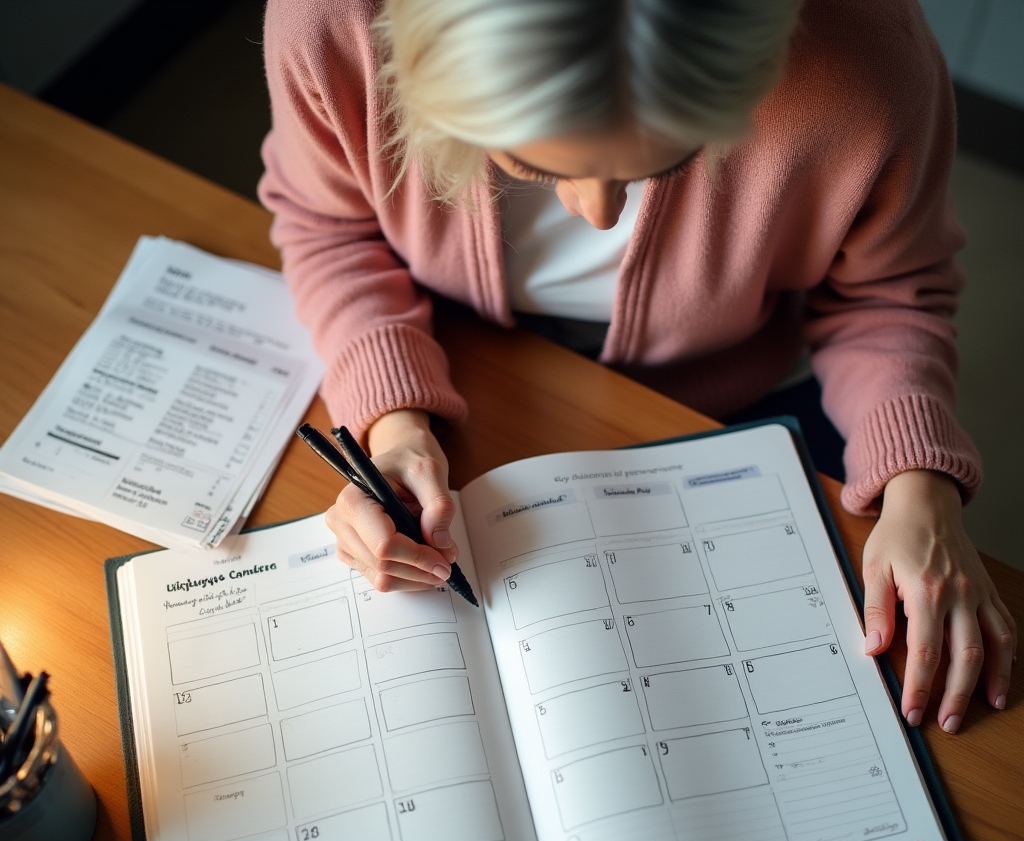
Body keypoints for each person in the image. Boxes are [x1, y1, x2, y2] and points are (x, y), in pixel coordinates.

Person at [258, 0, 1016, 733]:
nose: (598, 215)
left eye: (668, 161)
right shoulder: (331, 21)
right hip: (461, 361)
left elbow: (887, 298)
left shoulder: (872, 59)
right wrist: (394, 420)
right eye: (529, 163)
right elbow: (330, 226)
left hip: (732, 385)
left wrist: (922, 489)